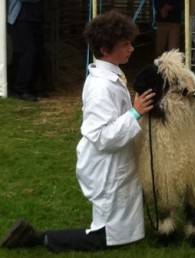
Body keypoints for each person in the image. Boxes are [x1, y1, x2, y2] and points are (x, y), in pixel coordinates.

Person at [0, 10, 155, 253]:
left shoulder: (112, 75)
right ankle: (36, 238)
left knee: (126, 235)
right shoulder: (101, 88)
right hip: (107, 169)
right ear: (105, 49)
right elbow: (102, 137)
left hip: (118, 165)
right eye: (126, 45)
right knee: (103, 239)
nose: (132, 49)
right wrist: (135, 113)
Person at [7, 0, 44, 101]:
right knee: (27, 52)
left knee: (34, 52)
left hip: (34, 17)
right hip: (20, 17)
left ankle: (29, 87)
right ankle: (20, 89)